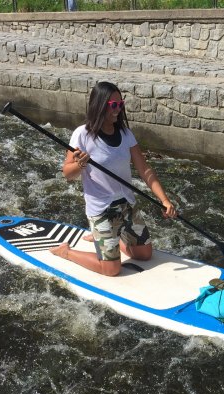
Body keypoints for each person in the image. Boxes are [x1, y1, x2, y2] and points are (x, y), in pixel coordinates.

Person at [50, 81, 177, 276]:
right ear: (99, 105)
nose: (118, 109)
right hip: (101, 209)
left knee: (144, 254)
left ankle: (109, 239)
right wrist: (81, 164)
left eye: (120, 104)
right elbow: (68, 174)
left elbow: (144, 170)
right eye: (113, 105)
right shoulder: (82, 135)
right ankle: (66, 252)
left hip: (126, 203)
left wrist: (164, 200)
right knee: (111, 269)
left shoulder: (126, 134)